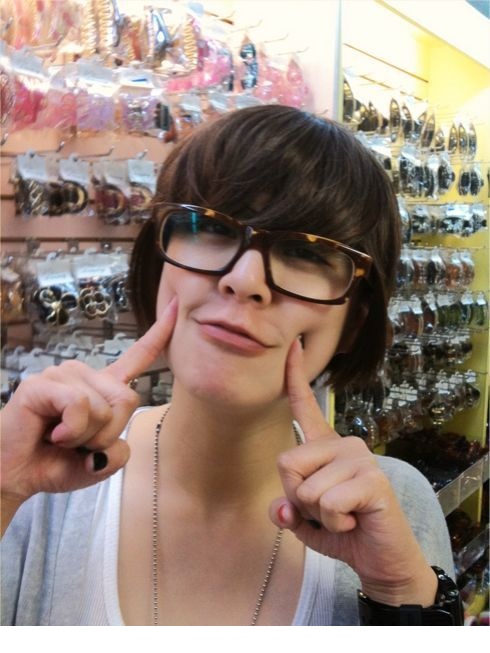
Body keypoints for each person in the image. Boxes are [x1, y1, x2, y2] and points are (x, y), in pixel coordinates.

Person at [1, 105, 461, 626]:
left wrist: (399, 592)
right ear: (158, 266)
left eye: (307, 254)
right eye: (209, 227)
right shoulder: (41, 486)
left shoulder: (391, 508)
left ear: (354, 321)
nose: (244, 280)